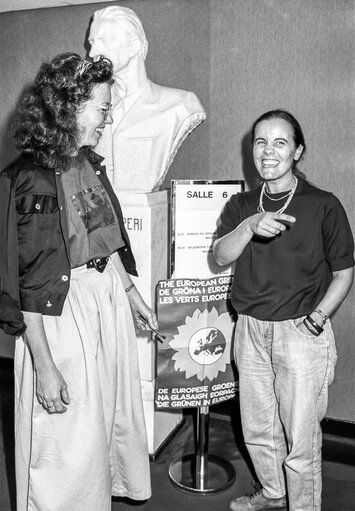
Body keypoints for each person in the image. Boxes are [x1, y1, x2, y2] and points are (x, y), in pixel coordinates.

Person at [0, 52, 158, 511]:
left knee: (102, 429)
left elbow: (101, 241)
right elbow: (27, 282)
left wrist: (129, 293)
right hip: (60, 318)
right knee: (67, 447)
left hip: (103, 301)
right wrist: (45, 367)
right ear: (68, 108)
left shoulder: (87, 163)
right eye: (102, 109)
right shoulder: (29, 179)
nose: (107, 120)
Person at [213, 109, 354, 511]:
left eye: (279, 142)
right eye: (260, 142)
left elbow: (344, 273)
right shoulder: (241, 204)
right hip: (251, 331)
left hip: (301, 334)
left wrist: (318, 317)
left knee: (301, 438)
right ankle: (273, 494)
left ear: (297, 151)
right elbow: (221, 256)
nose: (268, 151)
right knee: (258, 428)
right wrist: (249, 225)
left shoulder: (323, 205)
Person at [88, 5, 206, 193]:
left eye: (105, 40)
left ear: (134, 46)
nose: (93, 52)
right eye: (92, 42)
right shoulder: (88, 106)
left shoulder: (180, 105)